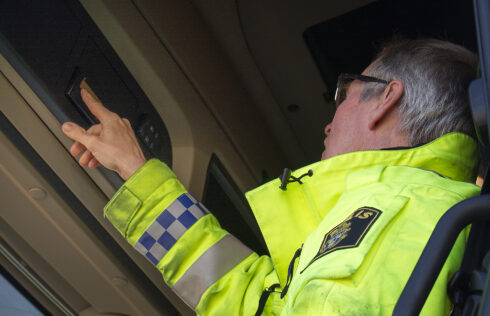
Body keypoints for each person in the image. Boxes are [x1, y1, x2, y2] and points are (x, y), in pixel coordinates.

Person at [61, 38, 480, 315]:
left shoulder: (397, 214)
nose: (328, 124)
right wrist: (137, 173)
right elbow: (254, 300)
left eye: (344, 95)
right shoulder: (417, 210)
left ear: (385, 98)